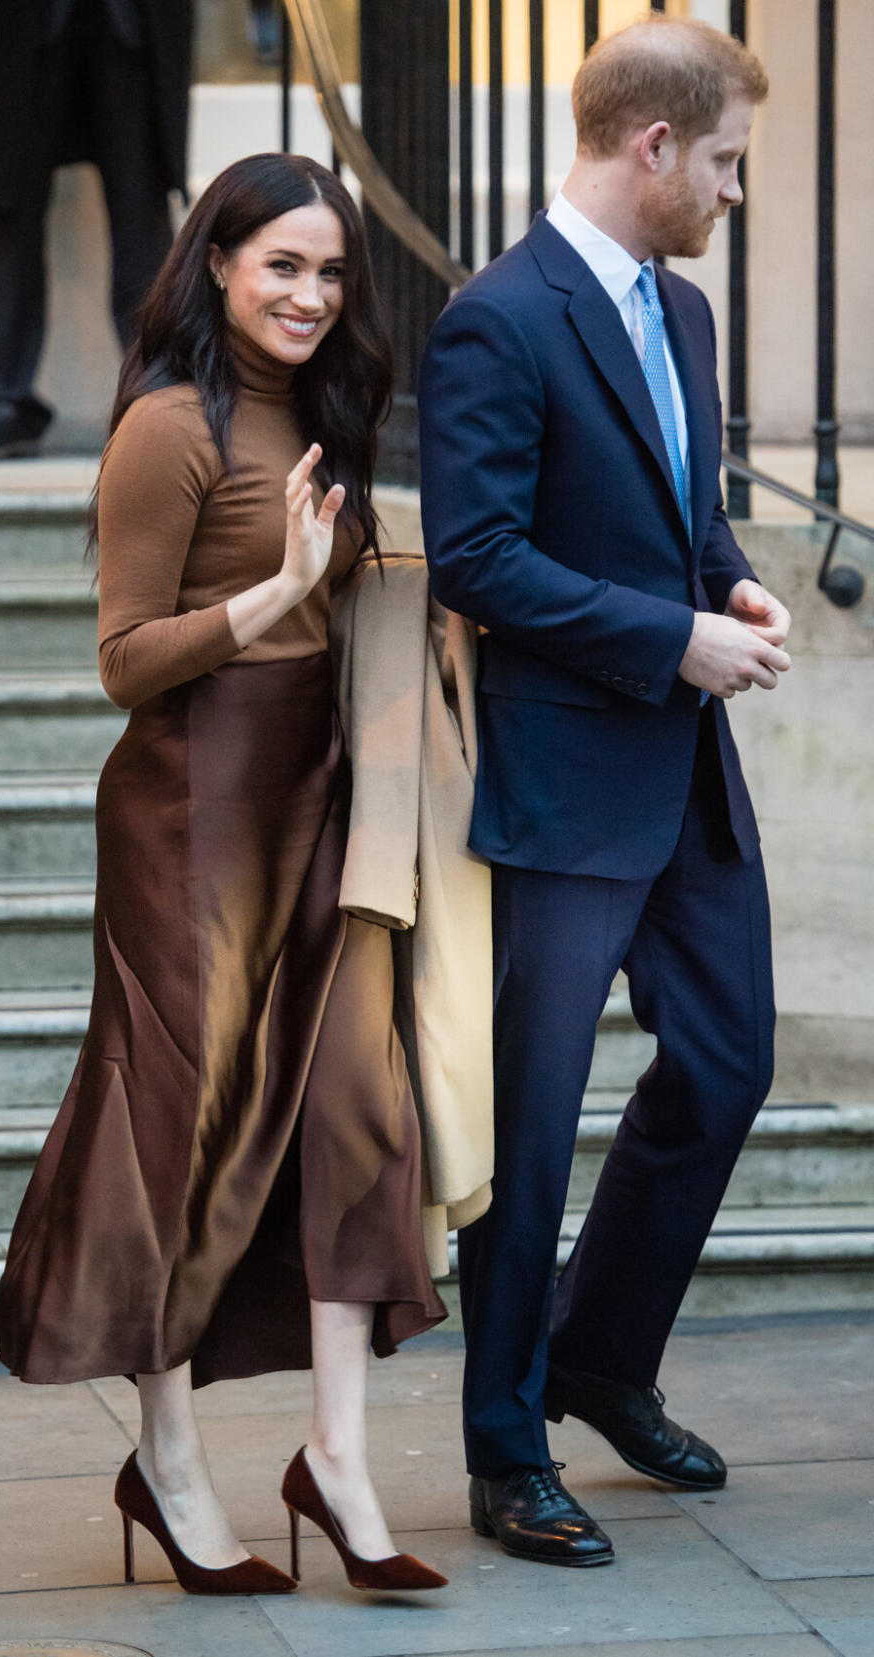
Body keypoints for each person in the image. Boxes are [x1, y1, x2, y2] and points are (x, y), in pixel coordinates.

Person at [0, 151, 448, 1597]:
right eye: (283, 266)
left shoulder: (320, 406)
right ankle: (170, 1461)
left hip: (326, 796)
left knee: (357, 1108)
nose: (312, 295)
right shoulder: (166, 427)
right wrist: (275, 593)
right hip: (193, 813)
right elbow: (124, 660)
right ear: (220, 265)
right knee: (178, 1132)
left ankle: (341, 1463)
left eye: (331, 271)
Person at [419, 17, 790, 1567]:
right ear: (653, 150)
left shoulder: (684, 315)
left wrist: (739, 587)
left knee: (724, 1065)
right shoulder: (497, 320)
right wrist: (675, 638)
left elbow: (681, 519)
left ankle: (598, 1358)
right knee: (532, 1121)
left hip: (685, 771)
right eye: (724, 163)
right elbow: (478, 560)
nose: (731, 192)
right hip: (562, 787)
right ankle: (507, 1449)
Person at [0, 0, 191, 460]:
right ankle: (2, 402)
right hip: (11, 23)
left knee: (143, 208)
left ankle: (164, 395)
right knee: (5, 201)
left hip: (131, 18)